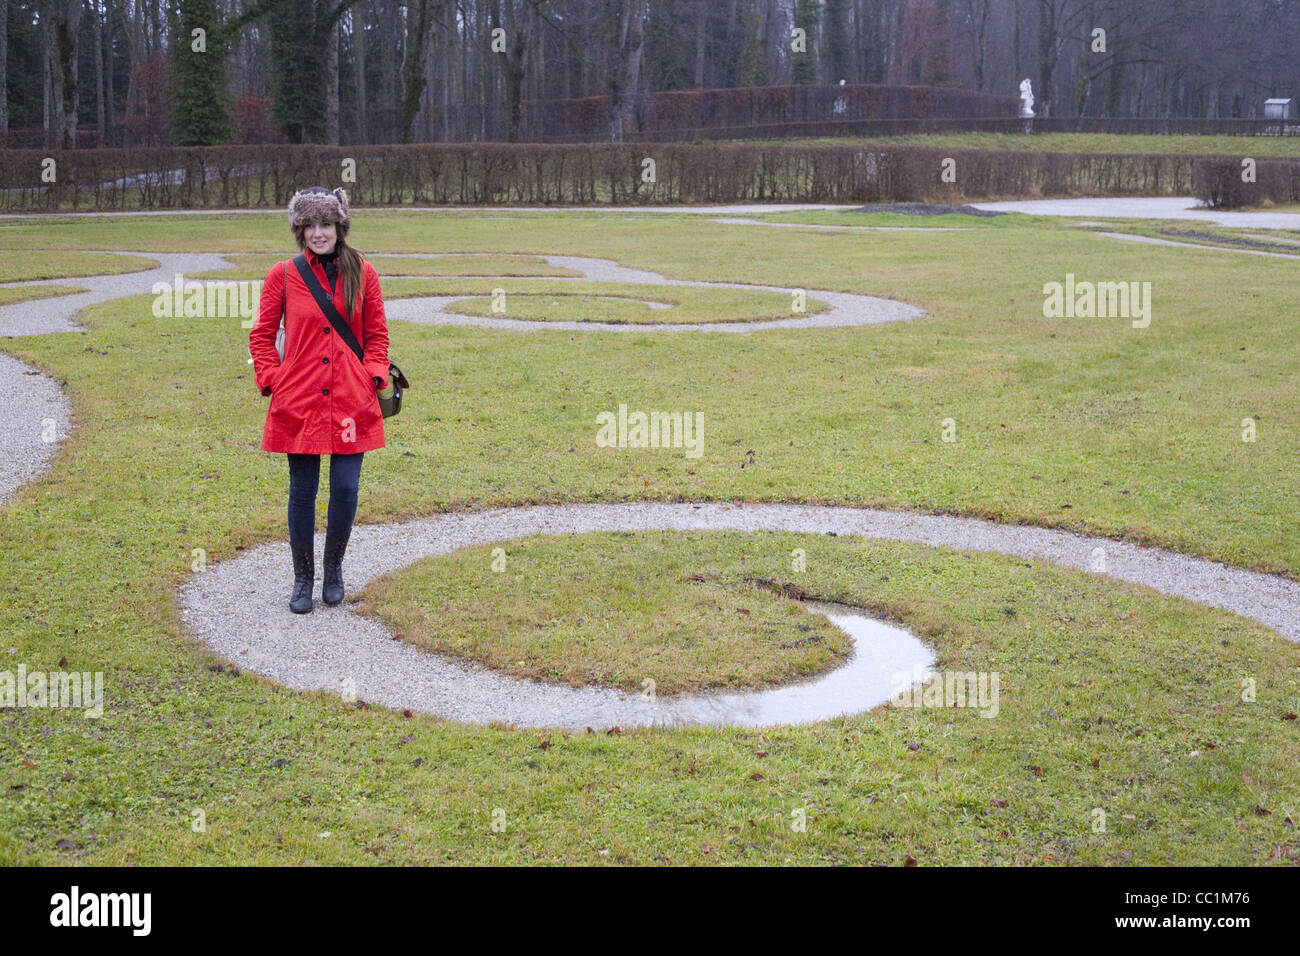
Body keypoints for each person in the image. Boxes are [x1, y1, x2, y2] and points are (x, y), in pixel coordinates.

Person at [248, 186, 391, 613]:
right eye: (309, 225)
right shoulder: (284, 274)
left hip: (352, 399)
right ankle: (302, 579)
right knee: (303, 490)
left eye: (325, 224)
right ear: (299, 230)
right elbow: (261, 334)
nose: (318, 233)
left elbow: (377, 335)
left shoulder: (363, 273)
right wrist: (273, 378)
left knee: (345, 489)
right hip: (300, 400)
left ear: (339, 226)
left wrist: (373, 374)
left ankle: (333, 570)